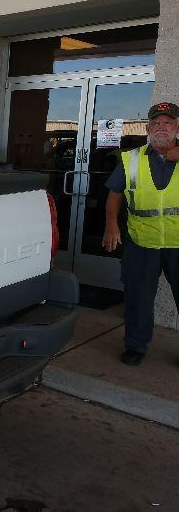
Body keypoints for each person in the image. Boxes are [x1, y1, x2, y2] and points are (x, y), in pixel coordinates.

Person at [102, 102, 179, 365]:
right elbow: (115, 194)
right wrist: (111, 223)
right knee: (138, 298)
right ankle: (135, 346)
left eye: (167, 123)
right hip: (141, 241)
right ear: (147, 128)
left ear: (177, 127)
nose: (161, 127)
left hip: (178, 243)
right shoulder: (131, 158)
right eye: (156, 123)